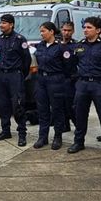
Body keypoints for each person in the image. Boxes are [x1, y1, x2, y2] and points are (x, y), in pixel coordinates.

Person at [67, 17, 101, 163]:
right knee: (79, 114)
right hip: (83, 84)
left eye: (89, 27)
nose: (85, 30)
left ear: (98, 30)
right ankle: (79, 142)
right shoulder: (79, 46)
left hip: (99, 84)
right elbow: (73, 63)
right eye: (84, 27)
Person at [34, 22, 72, 150]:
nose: (41, 34)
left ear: (51, 32)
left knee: (57, 109)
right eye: (41, 31)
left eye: (43, 31)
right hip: (41, 80)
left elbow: (68, 67)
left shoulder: (61, 47)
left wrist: (60, 78)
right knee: (42, 109)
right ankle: (42, 137)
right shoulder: (40, 46)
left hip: (56, 79)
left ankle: (57, 136)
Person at [0, 14, 31, 146]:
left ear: (11, 25)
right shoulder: (0, 39)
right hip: (2, 75)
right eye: (0, 23)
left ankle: (22, 134)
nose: (1, 25)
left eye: (4, 23)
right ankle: (5, 131)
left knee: (18, 105)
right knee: (2, 104)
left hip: (15, 75)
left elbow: (27, 60)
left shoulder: (20, 39)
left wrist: (20, 74)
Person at [60, 21, 78, 132]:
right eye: (64, 30)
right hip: (58, 78)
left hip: (71, 78)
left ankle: (78, 125)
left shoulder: (76, 45)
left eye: (69, 30)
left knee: (71, 104)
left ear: (73, 31)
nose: (66, 33)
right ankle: (65, 125)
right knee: (60, 104)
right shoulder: (57, 44)